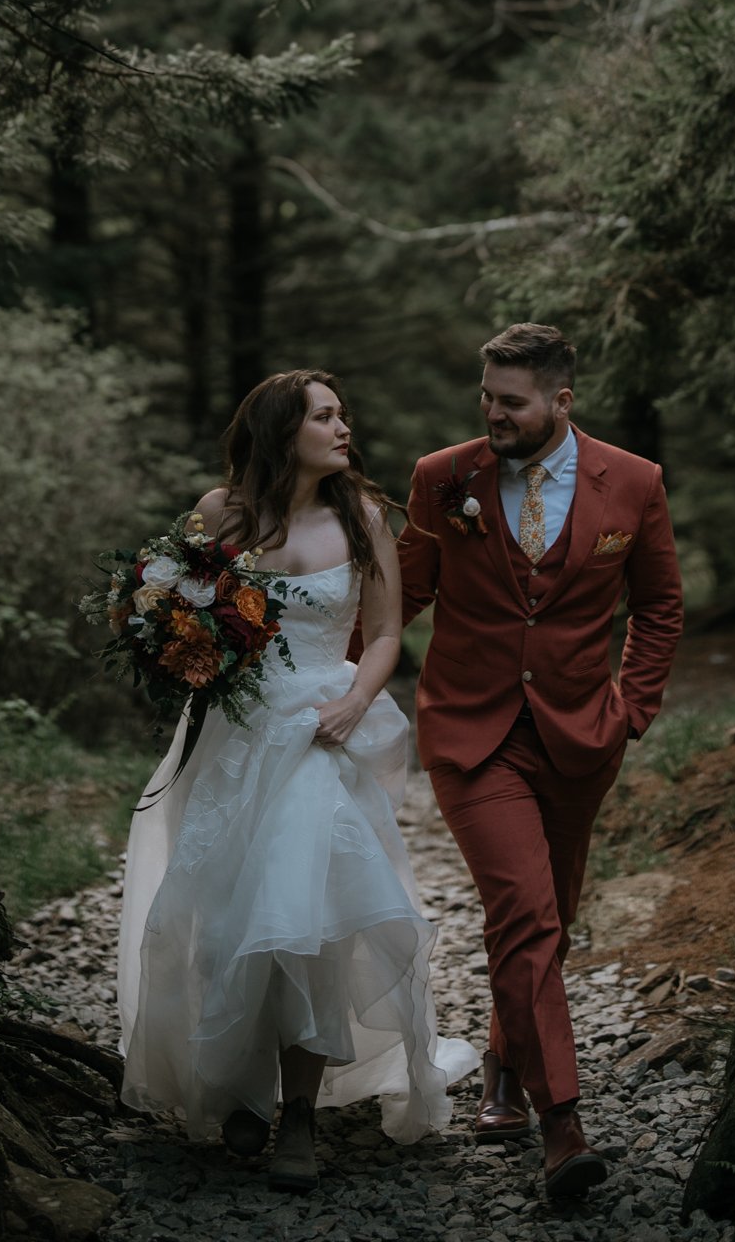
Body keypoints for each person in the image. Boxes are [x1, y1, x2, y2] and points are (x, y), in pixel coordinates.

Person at [116, 369, 477, 1192]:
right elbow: (181, 611)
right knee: (227, 910)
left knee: (307, 915)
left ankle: (301, 1115)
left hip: (321, 729)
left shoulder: (364, 517)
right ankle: (238, 1085)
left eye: (343, 413)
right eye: (325, 416)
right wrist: (176, 645)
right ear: (284, 431)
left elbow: (384, 631)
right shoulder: (220, 513)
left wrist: (355, 701)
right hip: (233, 734)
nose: (344, 427)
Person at [398, 322, 684, 1209]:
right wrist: (280, 636)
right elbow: (401, 595)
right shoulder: (443, 479)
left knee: (547, 914)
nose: (492, 415)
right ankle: (562, 1125)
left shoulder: (634, 482)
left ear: (562, 400)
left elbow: (660, 605)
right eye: (485, 396)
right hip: (471, 733)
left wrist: (631, 709)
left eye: (510, 402)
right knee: (523, 911)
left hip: (577, 736)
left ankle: (500, 1059)